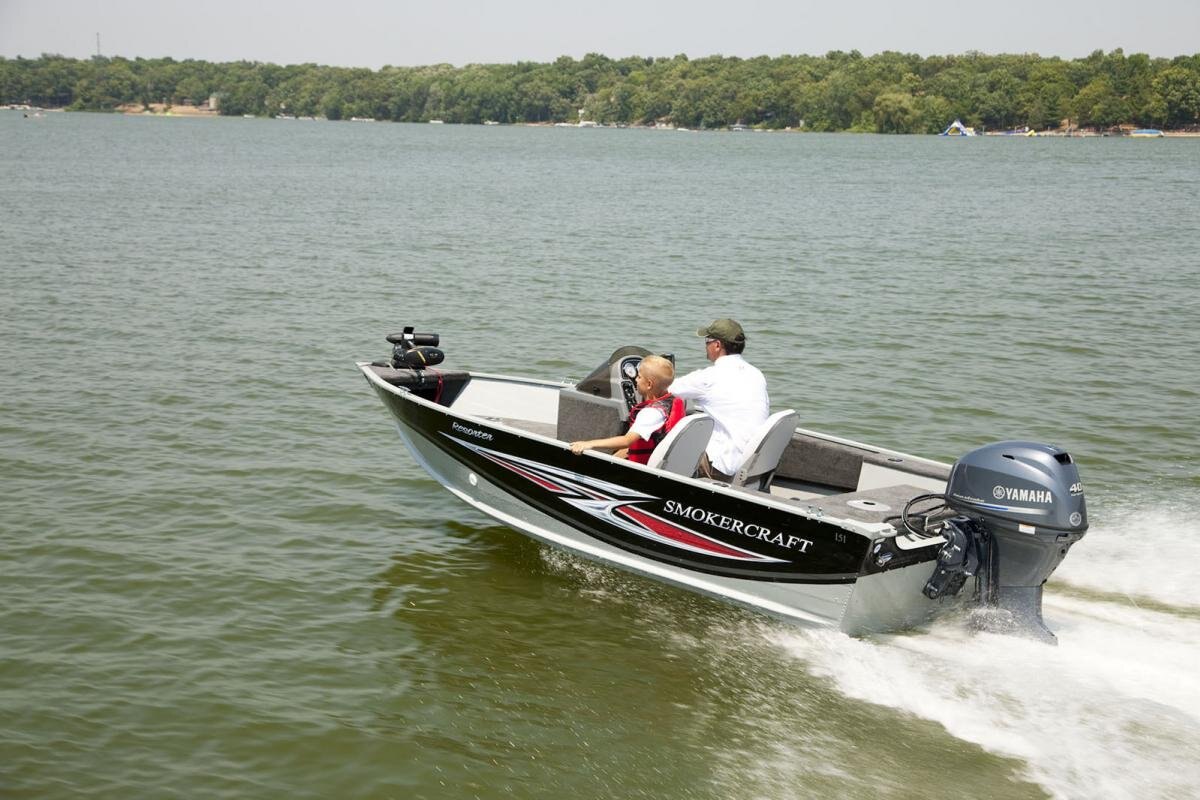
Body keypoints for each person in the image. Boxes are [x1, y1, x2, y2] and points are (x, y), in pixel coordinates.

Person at [668, 318, 769, 481]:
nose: (705, 346)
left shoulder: (709, 377)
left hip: (722, 467)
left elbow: (665, 389)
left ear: (717, 345)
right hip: (752, 465)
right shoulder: (757, 374)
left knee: (666, 441)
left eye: (707, 341)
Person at [570, 355, 680, 463]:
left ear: (649, 384)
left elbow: (627, 441)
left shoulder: (651, 413)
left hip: (641, 467)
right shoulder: (670, 401)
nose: (635, 379)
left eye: (639, 377)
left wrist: (589, 444)